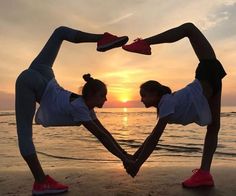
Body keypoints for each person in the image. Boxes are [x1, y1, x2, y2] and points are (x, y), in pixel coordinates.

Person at [15, 26, 130, 195]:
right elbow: (102, 136)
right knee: (24, 134)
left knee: (60, 32)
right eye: (103, 96)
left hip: (44, 72)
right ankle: (40, 182)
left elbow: (104, 132)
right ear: (91, 95)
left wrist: (124, 154)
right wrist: (125, 160)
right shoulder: (81, 109)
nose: (106, 99)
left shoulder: (86, 107)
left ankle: (103, 38)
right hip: (33, 82)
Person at [122, 23, 226, 188]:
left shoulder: (166, 102)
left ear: (155, 94)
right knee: (213, 128)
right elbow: (151, 138)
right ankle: (204, 174)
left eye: (143, 95)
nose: (141, 100)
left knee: (189, 28)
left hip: (207, 74)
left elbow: (154, 137)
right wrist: (133, 157)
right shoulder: (167, 103)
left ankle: (144, 42)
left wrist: (138, 163)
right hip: (211, 83)